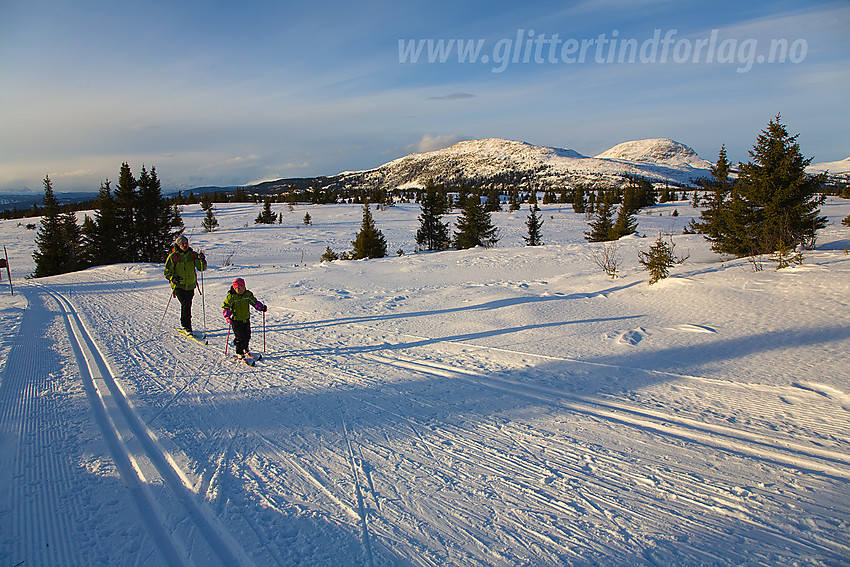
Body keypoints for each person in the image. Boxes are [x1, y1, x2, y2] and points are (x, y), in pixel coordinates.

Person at [164, 234, 207, 333]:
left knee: (188, 304)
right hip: (179, 285)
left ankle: (186, 324)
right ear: (178, 245)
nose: (185, 245)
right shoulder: (173, 256)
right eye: (182, 243)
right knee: (185, 304)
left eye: (186, 243)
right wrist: (172, 278)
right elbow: (167, 272)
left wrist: (202, 260)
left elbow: (201, 268)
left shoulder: (193, 255)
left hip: (191, 285)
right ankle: (186, 326)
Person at [222, 277, 267, 361]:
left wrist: (261, 307)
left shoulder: (247, 295)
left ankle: (245, 349)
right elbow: (226, 307)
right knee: (240, 337)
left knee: (247, 335)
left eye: (242, 288)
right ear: (234, 288)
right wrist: (227, 316)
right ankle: (239, 352)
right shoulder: (231, 297)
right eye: (238, 288)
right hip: (236, 321)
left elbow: (254, 302)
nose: (241, 290)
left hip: (245, 319)